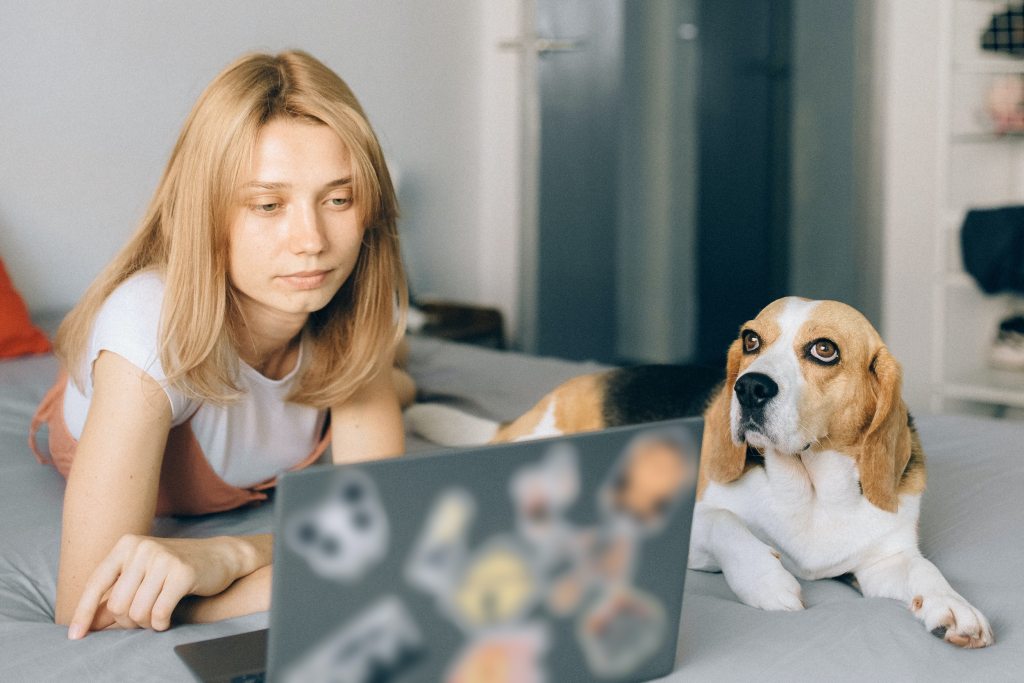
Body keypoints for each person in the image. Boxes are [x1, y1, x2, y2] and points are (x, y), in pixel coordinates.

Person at [28, 50, 415, 639]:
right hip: (147, 391)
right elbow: (91, 603)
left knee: (391, 368)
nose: (311, 242)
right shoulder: (148, 334)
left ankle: (404, 379)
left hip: (285, 387)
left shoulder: (354, 296)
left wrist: (232, 556)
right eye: (268, 205)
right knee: (390, 380)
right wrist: (201, 600)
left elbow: (380, 530)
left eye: (338, 199)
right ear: (207, 212)